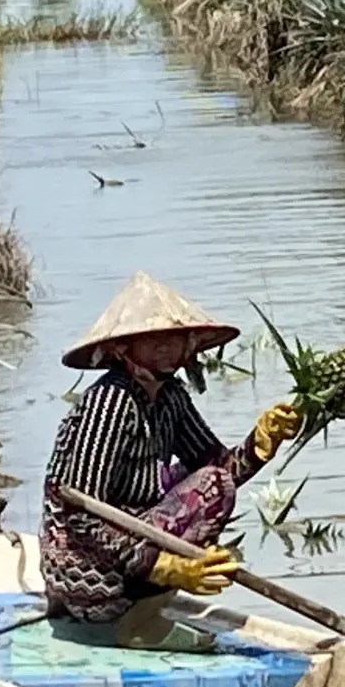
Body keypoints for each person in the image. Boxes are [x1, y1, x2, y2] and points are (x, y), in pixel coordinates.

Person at [39, 270, 301, 650]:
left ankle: (144, 610)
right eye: (151, 340)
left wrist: (260, 443)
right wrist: (166, 567)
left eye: (172, 339)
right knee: (204, 488)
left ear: (188, 344)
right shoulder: (110, 401)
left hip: (128, 558)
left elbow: (217, 470)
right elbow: (82, 511)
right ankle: (140, 623)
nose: (164, 348)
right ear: (124, 349)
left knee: (214, 483)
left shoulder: (169, 397)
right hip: (84, 570)